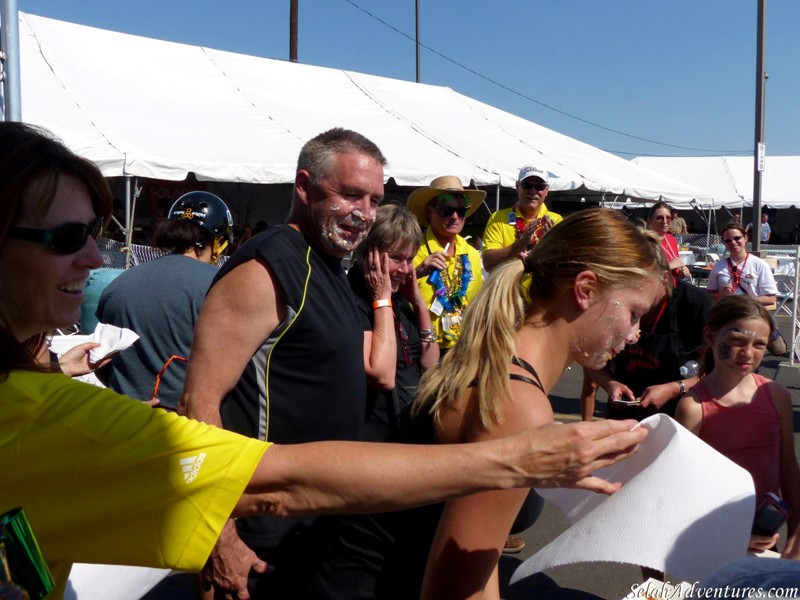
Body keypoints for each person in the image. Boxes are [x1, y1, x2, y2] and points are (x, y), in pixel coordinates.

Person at [0, 121, 651, 600]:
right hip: (259, 529)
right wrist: (220, 540)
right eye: (350, 196)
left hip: (314, 528)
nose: (365, 212)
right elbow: (203, 404)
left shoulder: (337, 271)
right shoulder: (268, 268)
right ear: (305, 186)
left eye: (374, 198)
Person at [306, 208, 666, 599]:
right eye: (633, 314)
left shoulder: (496, 358)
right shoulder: (518, 403)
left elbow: (480, 553)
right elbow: (457, 588)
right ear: (585, 290)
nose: (635, 335)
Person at [675, 295, 800, 558]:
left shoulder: (776, 395)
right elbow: (681, 486)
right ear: (710, 337)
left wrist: (796, 531)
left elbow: (788, 467)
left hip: (764, 537)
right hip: (711, 539)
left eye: (759, 345)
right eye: (736, 341)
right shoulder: (694, 407)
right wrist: (728, 533)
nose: (747, 353)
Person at [95, 191, 232, 410]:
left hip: (120, 418)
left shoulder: (119, 284)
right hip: (182, 427)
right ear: (219, 242)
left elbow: (101, 359)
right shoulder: (220, 287)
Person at [348, 203, 439, 441]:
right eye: (397, 258)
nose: (406, 269)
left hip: (410, 425)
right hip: (376, 436)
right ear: (370, 254)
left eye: (410, 259)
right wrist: (381, 300)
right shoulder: (355, 299)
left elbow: (431, 363)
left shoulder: (399, 298)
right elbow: (382, 376)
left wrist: (419, 304)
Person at [582, 275, 712, 422]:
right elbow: (591, 357)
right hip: (624, 415)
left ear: (663, 276)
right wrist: (609, 383)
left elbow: (715, 370)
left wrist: (675, 388)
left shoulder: (697, 304)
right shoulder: (617, 298)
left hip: (677, 417)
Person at [408, 175, 485, 351]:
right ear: (429, 211)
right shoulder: (412, 250)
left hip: (462, 347)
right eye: (446, 211)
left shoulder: (471, 254)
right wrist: (418, 272)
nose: (455, 217)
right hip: (422, 347)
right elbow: (391, 292)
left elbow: (477, 304)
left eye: (461, 211)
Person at [706, 222, 786, 356]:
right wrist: (721, 295)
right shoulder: (719, 266)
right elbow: (709, 294)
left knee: (749, 356)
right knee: (728, 356)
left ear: (745, 238)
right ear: (724, 243)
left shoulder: (759, 265)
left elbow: (771, 298)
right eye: (728, 240)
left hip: (751, 318)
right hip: (727, 320)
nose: (733, 242)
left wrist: (746, 302)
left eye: (737, 238)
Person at [481, 163, 563, 272]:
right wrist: (522, 243)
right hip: (508, 288)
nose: (533, 191)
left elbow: (562, 267)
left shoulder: (556, 222)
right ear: (517, 187)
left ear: (546, 190)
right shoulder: (498, 218)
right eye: (527, 185)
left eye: (539, 186)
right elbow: (488, 264)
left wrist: (546, 245)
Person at [647, 201, 691, 281]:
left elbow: (676, 271)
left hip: (674, 286)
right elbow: (646, 273)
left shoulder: (671, 240)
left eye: (668, 218)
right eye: (660, 218)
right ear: (650, 221)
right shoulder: (645, 241)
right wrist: (670, 265)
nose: (665, 221)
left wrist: (682, 271)